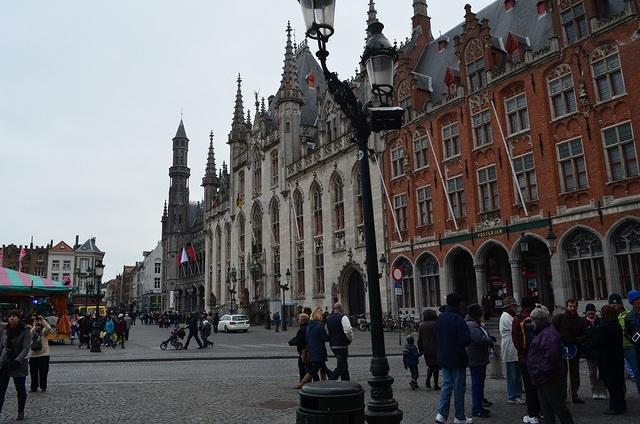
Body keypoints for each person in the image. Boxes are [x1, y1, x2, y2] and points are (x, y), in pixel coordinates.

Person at [527, 305, 575, 424]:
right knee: (547, 410)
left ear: (538, 321)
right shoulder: (543, 333)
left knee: (559, 408)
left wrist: (538, 372)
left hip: (549, 378)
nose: (531, 323)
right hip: (543, 378)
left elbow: (551, 359)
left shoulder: (548, 335)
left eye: (532, 320)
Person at [435, 293, 472, 424]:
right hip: (457, 357)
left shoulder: (441, 318)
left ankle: (441, 414)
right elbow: (465, 339)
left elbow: (436, 336)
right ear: (458, 303)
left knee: (446, 385)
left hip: (444, 356)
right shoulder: (458, 319)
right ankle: (459, 416)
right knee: (458, 388)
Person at [512, 297, 541, 424]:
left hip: (525, 357)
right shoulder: (539, 317)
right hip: (539, 357)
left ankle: (532, 414)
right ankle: (543, 411)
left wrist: (522, 351)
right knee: (540, 384)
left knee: (529, 387)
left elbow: (516, 340)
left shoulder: (517, 319)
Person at [553, 298, 587, 403]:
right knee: (562, 374)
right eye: (570, 306)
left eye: (574, 306)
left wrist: (575, 340)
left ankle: (574, 394)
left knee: (574, 374)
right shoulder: (559, 318)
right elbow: (552, 331)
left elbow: (585, 334)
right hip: (562, 350)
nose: (572, 308)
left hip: (574, 350)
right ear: (567, 307)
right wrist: (561, 339)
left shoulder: (581, 320)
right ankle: (562, 395)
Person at [594, 305, 626, 415]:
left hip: (608, 359)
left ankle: (615, 407)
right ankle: (621, 405)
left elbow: (598, 342)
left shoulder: (605, 326)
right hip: (617, 357)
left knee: (612, 385)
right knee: (618, 384)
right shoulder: (615, 324)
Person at [0, 310, 31, 421]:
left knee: (20, 390)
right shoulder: (5, 329)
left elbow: (26, 348)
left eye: (14, 316)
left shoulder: (25, 330)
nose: (12, 318)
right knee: (1, 390)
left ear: (19, 318)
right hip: (4, 363)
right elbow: (2, 346)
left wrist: (17, 361)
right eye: (10, 316)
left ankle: (20, 411)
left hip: (18, 364)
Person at [466, 304, 493, 419]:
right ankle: (476, 408)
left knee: (480, 382)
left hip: (479, 357)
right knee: (477, 383)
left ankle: (480, 404)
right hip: (475, 358)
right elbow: (480, 339)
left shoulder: (477, 324)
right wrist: (488, 340)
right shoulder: (471, 325)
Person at [500, 297, 524, 404]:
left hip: (513, 347)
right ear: (509, 307)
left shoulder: (511, 316)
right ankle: (513, 395)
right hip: (510, 347)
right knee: (512, 374)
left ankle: (517, 394)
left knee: (517, 373)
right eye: (514, 306)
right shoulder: (506, 317)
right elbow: (516, 328)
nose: (516, 308)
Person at [582, 303, 606, 400]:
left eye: (592, 311)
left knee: (602, 372)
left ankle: (603, 391)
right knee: (592, 373)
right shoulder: (583, 323)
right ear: (586, 312)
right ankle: (595, 390)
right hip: (590, 352)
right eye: (589, 311)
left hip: (600, 351)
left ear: (595, 311)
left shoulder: (600, 321)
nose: (590, 313)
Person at [326, 302, 353, 381]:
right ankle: (332, 378)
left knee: (343, 363)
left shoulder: (329, 318)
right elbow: (348, 330)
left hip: (333, 345)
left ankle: (346, 380)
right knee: (342, 365)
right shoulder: (343, 317)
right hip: (342, 344)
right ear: (341, 308)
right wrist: (350, 339)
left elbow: (327, 331)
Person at [620, 290, 640, 394]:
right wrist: (632, 339)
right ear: (632, 302)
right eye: (636, 300)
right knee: (637, 373)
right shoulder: (629, 316)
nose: (639, 301)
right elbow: (626, 331)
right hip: (635, 347)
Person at [305, 308, 330, 383]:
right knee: (316, 368)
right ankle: (302, 383)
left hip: (312, 349)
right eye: (321, 315)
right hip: (319, 349)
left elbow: (307, 338)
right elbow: (324, 338)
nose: (323, 316)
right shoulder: (320, 325)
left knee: (323, 367)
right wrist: (330, 335)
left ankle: (324, 382)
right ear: (318, 316)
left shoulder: (310, 325)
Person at [28, 316, 52, 393]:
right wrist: (34, 326)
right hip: (33, 355)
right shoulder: (32, 330)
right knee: (33, 373)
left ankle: (43, 387)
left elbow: (49, 328)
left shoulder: (44, 331)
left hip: (44, 355)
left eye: (39, 322)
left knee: (43, 372)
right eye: (36, 321)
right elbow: (29, 335)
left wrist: (43, 320)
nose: (38, 323)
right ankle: (34, 387)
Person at [418, 309, 439, 390]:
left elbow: (419, 339)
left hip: (426, 348)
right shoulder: (436, 324)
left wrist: (421, 349)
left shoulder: (422, 325)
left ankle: (427, 381)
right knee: (436, 366)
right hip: (436, 348)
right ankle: (436, 384)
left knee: (430, 365)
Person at [288, 313, 310, 388]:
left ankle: (303, 384)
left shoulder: (303, 329)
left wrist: (291, 342)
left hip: (304, 351)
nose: (298, 320)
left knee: (303, 368)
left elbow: (299, 339)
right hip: (306, 350)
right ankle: (306, 383)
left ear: (303, 320)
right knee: (309, 368)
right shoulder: (306, 327)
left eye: (299, 319)